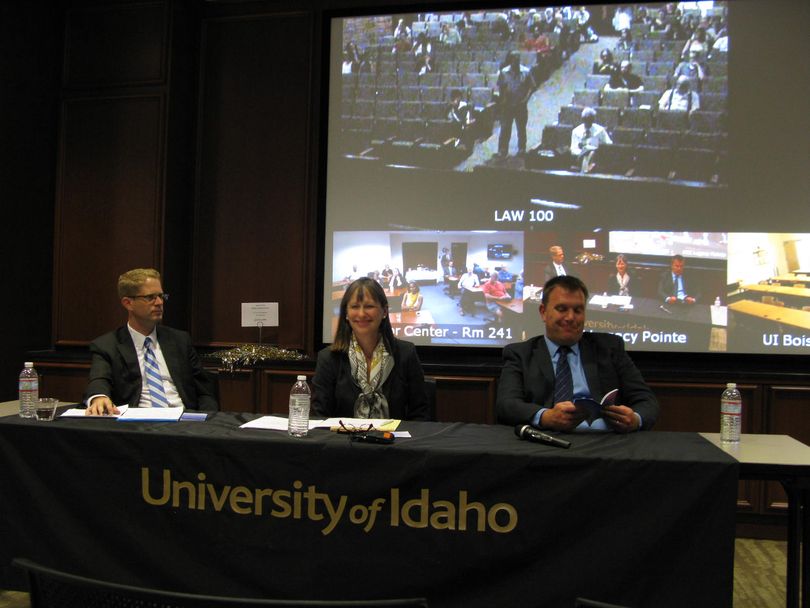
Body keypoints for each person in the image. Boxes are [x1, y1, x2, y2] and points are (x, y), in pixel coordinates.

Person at [496, 275, 659, 432]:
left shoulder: (609, 348)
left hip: (607, 440)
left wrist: (635, 419)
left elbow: (646, 401)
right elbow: (506, 405)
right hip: (547, 440)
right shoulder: (520, 354)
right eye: (562, 309)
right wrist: (545, 416)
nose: (570, 317)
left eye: (578, 310)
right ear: (543, 312)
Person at [83, 268, 218, 415]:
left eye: (161, 296)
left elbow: (204, 390)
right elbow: (99, 379)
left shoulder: (180, 340)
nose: (159, 302)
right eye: (150, 297)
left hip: (183, 421)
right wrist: (99, 397)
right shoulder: (107, 345)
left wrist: (207, 419)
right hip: (137, 424)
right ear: (128, 303)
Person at [312, 277, 428, 420]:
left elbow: (420, 414)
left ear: (384, 311)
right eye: (354, 307)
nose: (361, 314)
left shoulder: (405, 354)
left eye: (369, 306)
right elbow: (320, 416)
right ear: (346, 314)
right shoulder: (328, 358)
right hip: (341, 441)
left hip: (394, 440)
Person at [495, 50, 537, 158]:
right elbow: (500, 87)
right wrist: (503, 99)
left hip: (520, 105)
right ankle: (502, 150)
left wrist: (526, 99)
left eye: (518, 59)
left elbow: (532, 87)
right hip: (507, 105)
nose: (517, 61)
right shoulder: (504, 72)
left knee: (521, 129)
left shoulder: (526, 71)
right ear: (511, 60)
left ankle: (521, 149)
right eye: (514, 59)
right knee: (505, 128)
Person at [570, 107, 613, 173]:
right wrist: (583, 152)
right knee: (587, 155)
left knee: (592, 153)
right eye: (586, 119)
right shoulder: (576, 131)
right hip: (580, 156)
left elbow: (609, 144)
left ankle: (585, 170)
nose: (588, 122)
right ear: (582, 119)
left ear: (593, 119)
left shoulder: (600, 130)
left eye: (590, 119)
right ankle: (586, 169)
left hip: (597, 156)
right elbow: (573, 149)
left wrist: (598, 146)